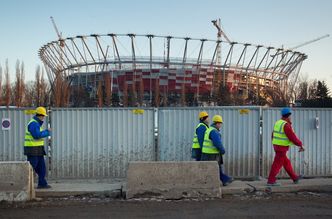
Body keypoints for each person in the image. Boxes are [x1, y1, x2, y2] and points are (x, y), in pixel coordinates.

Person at [267, 107, 305, 186]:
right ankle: (271, 180)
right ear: (288, 116)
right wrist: (300, 144)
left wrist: (275, 143)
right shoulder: (286, 125)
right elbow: (292, 137)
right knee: (277, 164)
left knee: (286, 163)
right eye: (290, 116)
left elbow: (272, 134)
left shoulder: (278, 122)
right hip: (281, 147)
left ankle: (294, 178)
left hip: (277, 146)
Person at [24, 106, 52, 189]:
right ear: (39, 115)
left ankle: (42, 183)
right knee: (32, 167)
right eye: (43, 116)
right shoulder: (33, 124)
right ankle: (26, 184)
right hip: (32, 150)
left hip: (38, 149)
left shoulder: (37, 124)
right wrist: (47, 132)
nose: (43, 117)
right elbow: (37, 135)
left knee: (42, 167)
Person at [201, 115, 233, 186]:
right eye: (220, 124)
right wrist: (223, 150)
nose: (221, 125)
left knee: (215, 168)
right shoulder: (214, 131)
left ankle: (225, 179)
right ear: (217, 123)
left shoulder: (209, 129)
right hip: (212, 154)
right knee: (215, 169)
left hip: (206, 153)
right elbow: (217, 143)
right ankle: (225, 179)